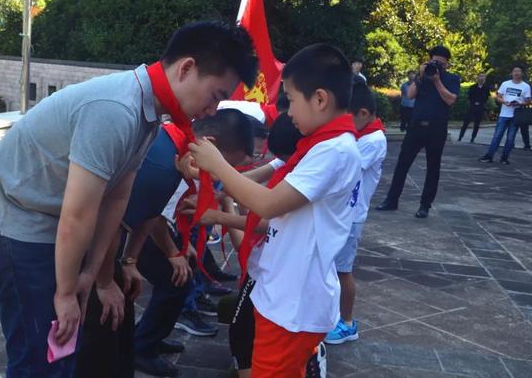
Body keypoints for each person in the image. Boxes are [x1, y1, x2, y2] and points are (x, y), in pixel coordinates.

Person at [0, 21, 257, 377]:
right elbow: (78, 213)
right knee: (40, 361)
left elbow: (117, 198)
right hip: (12, 226)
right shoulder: (117, 109)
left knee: (61, 354)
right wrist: (65, 293)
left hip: (44, 224)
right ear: (186, 69)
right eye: (215, 96)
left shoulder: (149, 112)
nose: (213, 111)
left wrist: (91, 274)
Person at [188, 43, 362, 378]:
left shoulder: (334, 151)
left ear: (321, 99)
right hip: (285, 293)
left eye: (292, 101)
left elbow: (267, 203)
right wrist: (216, 177)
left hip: (292, 304)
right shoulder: (322, 145)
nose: (290, 114)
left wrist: (218, 165)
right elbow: (271, 189)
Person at [75, 109, 255, 378]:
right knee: (104, 324)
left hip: (118, 240)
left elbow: (150, 212)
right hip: (91, 243)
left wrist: (131, 261)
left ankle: (141, 346)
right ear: (211, 145)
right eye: (225, 167)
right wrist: (106, 278)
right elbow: (117, 222)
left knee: (124, 313)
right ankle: (142, 348)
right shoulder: (162, 162)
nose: (223, 177)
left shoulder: (176, 150)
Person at [324, 80, 387, 345]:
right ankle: (331, 316)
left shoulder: (373, 140)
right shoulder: (362, 135)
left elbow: (343, 167)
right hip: (342, 213)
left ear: (362, 113)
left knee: (342, 271)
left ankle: (347, 323)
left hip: (351, 216)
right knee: (332, 268)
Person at [376, 45, 460, 219]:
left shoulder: (452, 79)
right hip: (416, 126)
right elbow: (410, 94)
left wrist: (437, 81)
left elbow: (450, 100)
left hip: (437, 127)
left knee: (433, 167)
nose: (437, 66)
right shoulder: (421, 78)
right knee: (402, 164)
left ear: (447, 65)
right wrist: (421, 76)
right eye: (434, 62)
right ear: (429, 60)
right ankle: (391, 200)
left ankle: (425, 206)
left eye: (442, 64)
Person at [479, 66, 531, 164]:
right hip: (504, 114)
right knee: (497, 135)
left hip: (516, 115)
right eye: (515, 71)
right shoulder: (505, 84)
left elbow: (528, 101)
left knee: (510, 138)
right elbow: (498, 97)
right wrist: (504, 102)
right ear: (511, 73)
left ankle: (504, 157)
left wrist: (519, 103)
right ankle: (489, 155)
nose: (516, 73)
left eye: (519, 71)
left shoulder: (525, 86)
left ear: (522, 73)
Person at [458, 73, 490, 143]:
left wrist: (481, 103)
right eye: (480, 76)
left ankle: (473, 138)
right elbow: (469, 96)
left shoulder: (486, 88)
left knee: (477, 124)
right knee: (466, 122)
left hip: (480, 107)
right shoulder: (473, 87)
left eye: (483, 77)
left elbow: (486, 97)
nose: (482, 78)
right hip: (472, 106)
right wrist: (473, 102)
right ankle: (460, 136)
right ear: (477, 78)